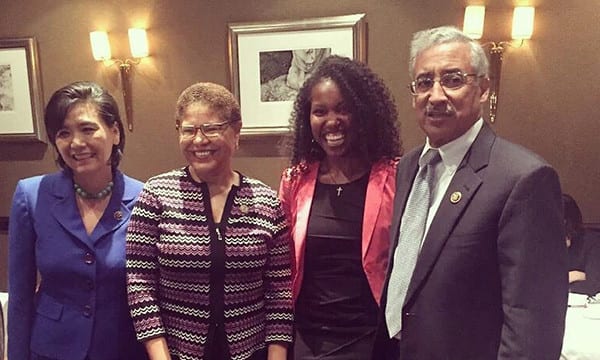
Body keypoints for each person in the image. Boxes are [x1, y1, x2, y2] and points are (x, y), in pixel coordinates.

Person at [375, 26, 568, 359]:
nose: (435, 96)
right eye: (424, 82)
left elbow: (533, 322)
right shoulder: (408, 167)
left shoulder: (523, 178)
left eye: (452, 80)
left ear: (482, 88)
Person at [126, 82, 293, 360]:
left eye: (212, 128)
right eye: (188, 130)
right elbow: (140, 282)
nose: (199, 140)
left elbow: (279, 291)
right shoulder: (156, 194)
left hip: (249, 352)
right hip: (176, 353)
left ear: (236, 133)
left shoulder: (266, 201)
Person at [7, 81, 147, 359]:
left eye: (88, 129)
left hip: (122, 349)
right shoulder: (32, 195)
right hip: (50, 350)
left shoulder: (145, 198)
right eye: (63, 133)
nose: (77, 143)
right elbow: (20, 298)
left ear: (115, 132)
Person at [279, 55, 402, 359]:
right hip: (307, 339)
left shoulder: (396, 177)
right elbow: (281, 262)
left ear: (363, 113)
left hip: (371, 339)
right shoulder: (295, 181)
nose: (331, 121)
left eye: (343, 109)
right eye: (320, 111)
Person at [564, 193, 600, 296]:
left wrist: (569, 278)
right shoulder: (545, 244)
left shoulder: (592, 241)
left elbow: (593, 285)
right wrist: (578, 275)